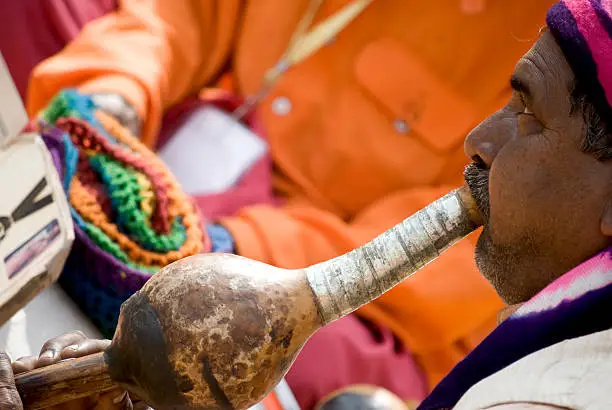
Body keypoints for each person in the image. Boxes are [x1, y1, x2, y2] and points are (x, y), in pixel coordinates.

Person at [8, 0, 612, 408]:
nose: (485, 136)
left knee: (249, 344)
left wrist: (238, 249)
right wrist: (116, 93)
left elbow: (478, 247)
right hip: (186, 140)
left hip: (352, 291)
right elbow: (185, 14)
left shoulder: (569, 51)